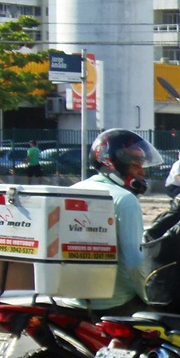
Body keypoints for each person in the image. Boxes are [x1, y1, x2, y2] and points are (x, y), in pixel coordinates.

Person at [67, 129, 162, 313]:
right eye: (136, 165)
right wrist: (149, 297)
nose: (142, 172)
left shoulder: (73, 189)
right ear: (113, 165)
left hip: (72, 302)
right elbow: (134, 262)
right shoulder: (125, 200)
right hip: (116, 303)